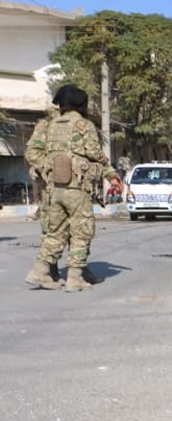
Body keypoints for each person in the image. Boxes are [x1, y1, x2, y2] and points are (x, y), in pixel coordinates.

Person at [24, 85, 122, 292]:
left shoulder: (49, 125)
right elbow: (95, 153)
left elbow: (34, 152)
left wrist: (49, 170)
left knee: (54, 232)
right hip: (76, 188)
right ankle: (75, 277)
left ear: (61, 105)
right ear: (82, 105)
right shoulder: (83, 125)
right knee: (82, 230)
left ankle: (40, 271)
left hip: (53, 189)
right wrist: (111, 175)